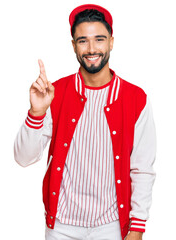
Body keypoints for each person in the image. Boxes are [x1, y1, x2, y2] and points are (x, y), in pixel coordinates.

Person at [14, 4, 156, 240]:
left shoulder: (136, 99)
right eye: (83, 40)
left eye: (99, 39)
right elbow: (23, 158)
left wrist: (137, 228)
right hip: (61, 225)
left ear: (111, 41)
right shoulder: (55, 92)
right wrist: (36, 112)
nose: (92, 48)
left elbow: (142, 169)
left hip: (110, 226)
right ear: (73, 46)